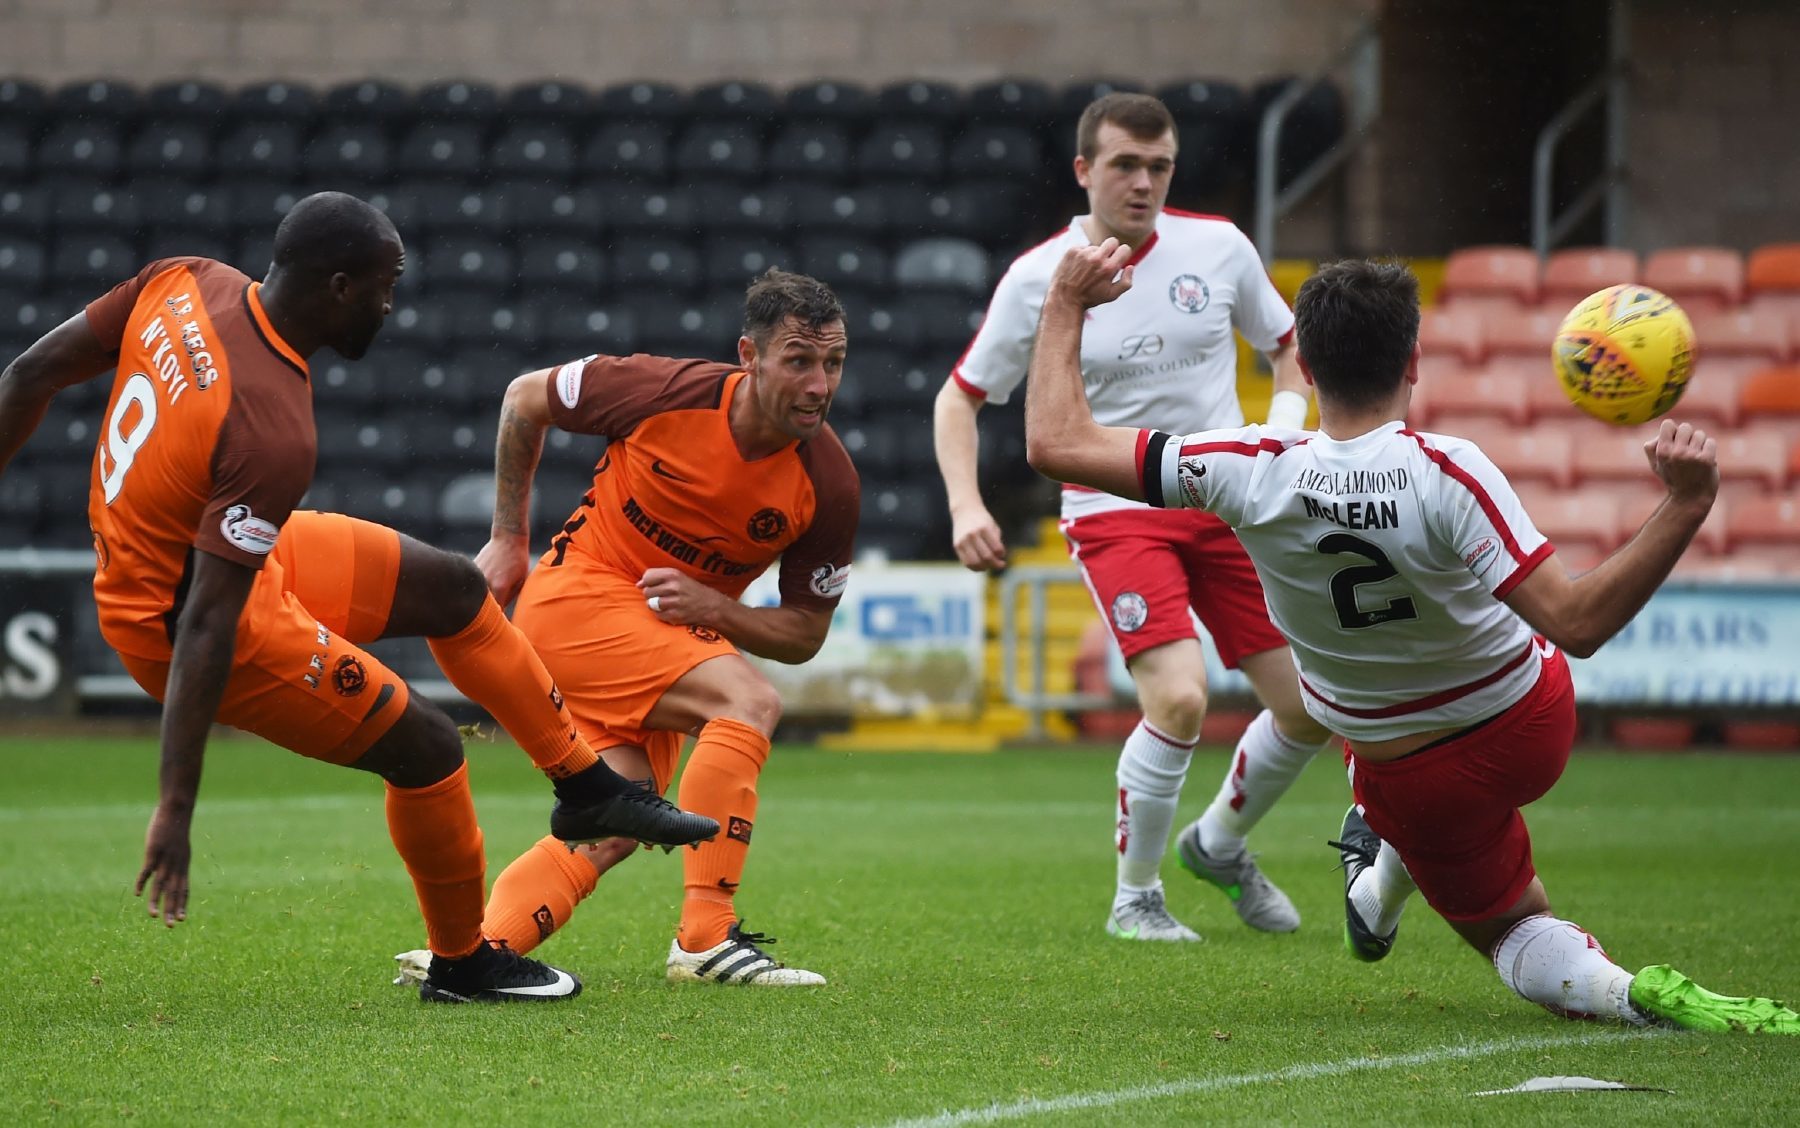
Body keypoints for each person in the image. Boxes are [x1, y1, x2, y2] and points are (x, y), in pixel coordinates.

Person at [1022, 241, 1800, 1033]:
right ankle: (1379, 873)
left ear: (1309, 371)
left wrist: (1065, 305)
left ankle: (1627, 993)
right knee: (1421, 761)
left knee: (1512, 930)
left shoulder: (1245, 467)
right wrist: (1684, 505)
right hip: (1532, 722)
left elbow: (1056, 444)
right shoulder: (1448, 470)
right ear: (1415, 363)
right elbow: (1578, 624)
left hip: (1412, 770)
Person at [0, 193, 719, 1005]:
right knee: (431, 750)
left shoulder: (187, 281)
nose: (391, 304)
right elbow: (208, 621)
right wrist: (174, 805)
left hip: (195, 557)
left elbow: (28, 374)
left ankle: (587, 789)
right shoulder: (270, 428)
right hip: (185, 621)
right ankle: (464, 963)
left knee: (452, 586)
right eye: (386, 285)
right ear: (340, 286)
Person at [933, 92, 1331, 942]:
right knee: (1180, 699)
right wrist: (966, 504)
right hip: (1116, 506)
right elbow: (959, 398)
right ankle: (1135, 897)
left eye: (1159, 166)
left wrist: (1282, 434)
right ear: (1084, 172)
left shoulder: (1218, 247)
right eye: (1124, 165)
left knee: (1308, 709)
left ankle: (1219, 844)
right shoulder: (1041, 276)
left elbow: (1289, 349)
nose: (1143, 182)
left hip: (1222, 496)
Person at [391, 268, 858, 989]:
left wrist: (718, 610)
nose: (819, 384)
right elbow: (524, 398)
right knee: (748, 703)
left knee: (618, 820)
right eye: (798, 360)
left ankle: (470, 953)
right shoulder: (659, 389)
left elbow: (804, 634)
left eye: (833, 363)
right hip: (577, 599)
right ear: (749, 355)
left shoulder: (829, 483)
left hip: (667, 635)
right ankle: (706, 937)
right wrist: (509, 539)